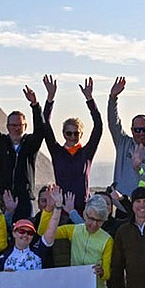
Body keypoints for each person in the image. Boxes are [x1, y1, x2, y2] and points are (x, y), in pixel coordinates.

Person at [0, 74, 46, 222]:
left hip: (24, 200)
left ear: (25, 126)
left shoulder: (30, 144)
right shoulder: (0, 143)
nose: (16, 128)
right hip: (2, 199)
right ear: (7, 126)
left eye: (20, 125)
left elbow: (41, 130)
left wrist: (35, 105)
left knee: (24, 235)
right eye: (13, 125)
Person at [40, 75, 104, 213]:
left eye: (76, 133)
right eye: (69, 133)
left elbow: (98, 126)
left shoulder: (86, 153)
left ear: (81, 134)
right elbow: (44, 124)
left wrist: (90, 99)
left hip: (83, 209)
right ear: (64, 134)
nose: (73, 137)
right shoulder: (57, 152)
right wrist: (50, 97)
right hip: (61, 210)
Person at [106, 76, 145, 197]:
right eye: (137, 130)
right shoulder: (123, 143)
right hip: (121, 203)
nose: (141, 133)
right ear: (132, 130)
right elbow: (113, 122)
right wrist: (113, 98)